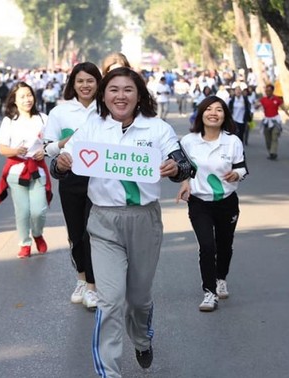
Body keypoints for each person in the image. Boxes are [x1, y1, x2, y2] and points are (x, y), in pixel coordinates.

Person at [52, 67, 193, 377]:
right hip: (103, 222)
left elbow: (184, 164)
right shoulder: (92, 128)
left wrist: (176, 167)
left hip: (144, 220)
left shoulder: (156, 129)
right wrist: (61, 163)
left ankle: (142, 339)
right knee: (110, 302)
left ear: (139, 95)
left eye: (127, 89)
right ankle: (109, 373)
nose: (120, 95)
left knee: (139, 300)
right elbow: (61, 166)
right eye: (113, 89)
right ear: (104, 95)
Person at [176, 96, 247, 312]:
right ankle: (209, 292)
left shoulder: (232, 141)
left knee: (225, 244)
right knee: (207, 246)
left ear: (225, 115)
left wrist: (236, 174)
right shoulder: (188, 141)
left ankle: (221, 278)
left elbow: (243, 168)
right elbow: (183, 169)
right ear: (201, 114)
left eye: (218, 109)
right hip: (199, 202)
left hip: (226, 202)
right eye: (208, 109)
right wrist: (185, 183)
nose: (213, 113)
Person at [44, 62, 102, 309]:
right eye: (81, 81)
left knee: (92, 233)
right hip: (71, 178)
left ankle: (92, 285)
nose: (85, 85)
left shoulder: (107, 109)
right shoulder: (60, 112)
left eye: (90, 80)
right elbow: (47, 148)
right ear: (73, 84)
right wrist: (67, 143)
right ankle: (81, 278)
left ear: (98, 83)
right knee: (75, 232)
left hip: (101, 178)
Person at [0, 82, 51, 259]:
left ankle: (37, 233)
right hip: (16, 171)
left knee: (38, 210)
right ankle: (24, 243)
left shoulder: (43, 118)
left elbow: (52, 142)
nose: (27, 99)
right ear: (14, 100)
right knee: (22, 211)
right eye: (22, 96)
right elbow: (2, 149)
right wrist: (15, 151)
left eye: (29, 95)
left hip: (38, 170)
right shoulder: (9, 121)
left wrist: (45, 151)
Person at [254, 84, 289, 160]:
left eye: (269, 91)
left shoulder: (277, 99)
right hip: (266, 121)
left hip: (275, 120)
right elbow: (257, 106)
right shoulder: (263, 99)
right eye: (266, 90)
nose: (267, 92)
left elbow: (284, 109)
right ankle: (270, 152)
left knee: (274, 136)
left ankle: (273, 153)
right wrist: (256, 105)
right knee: (268, 138)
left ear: (272, 91)